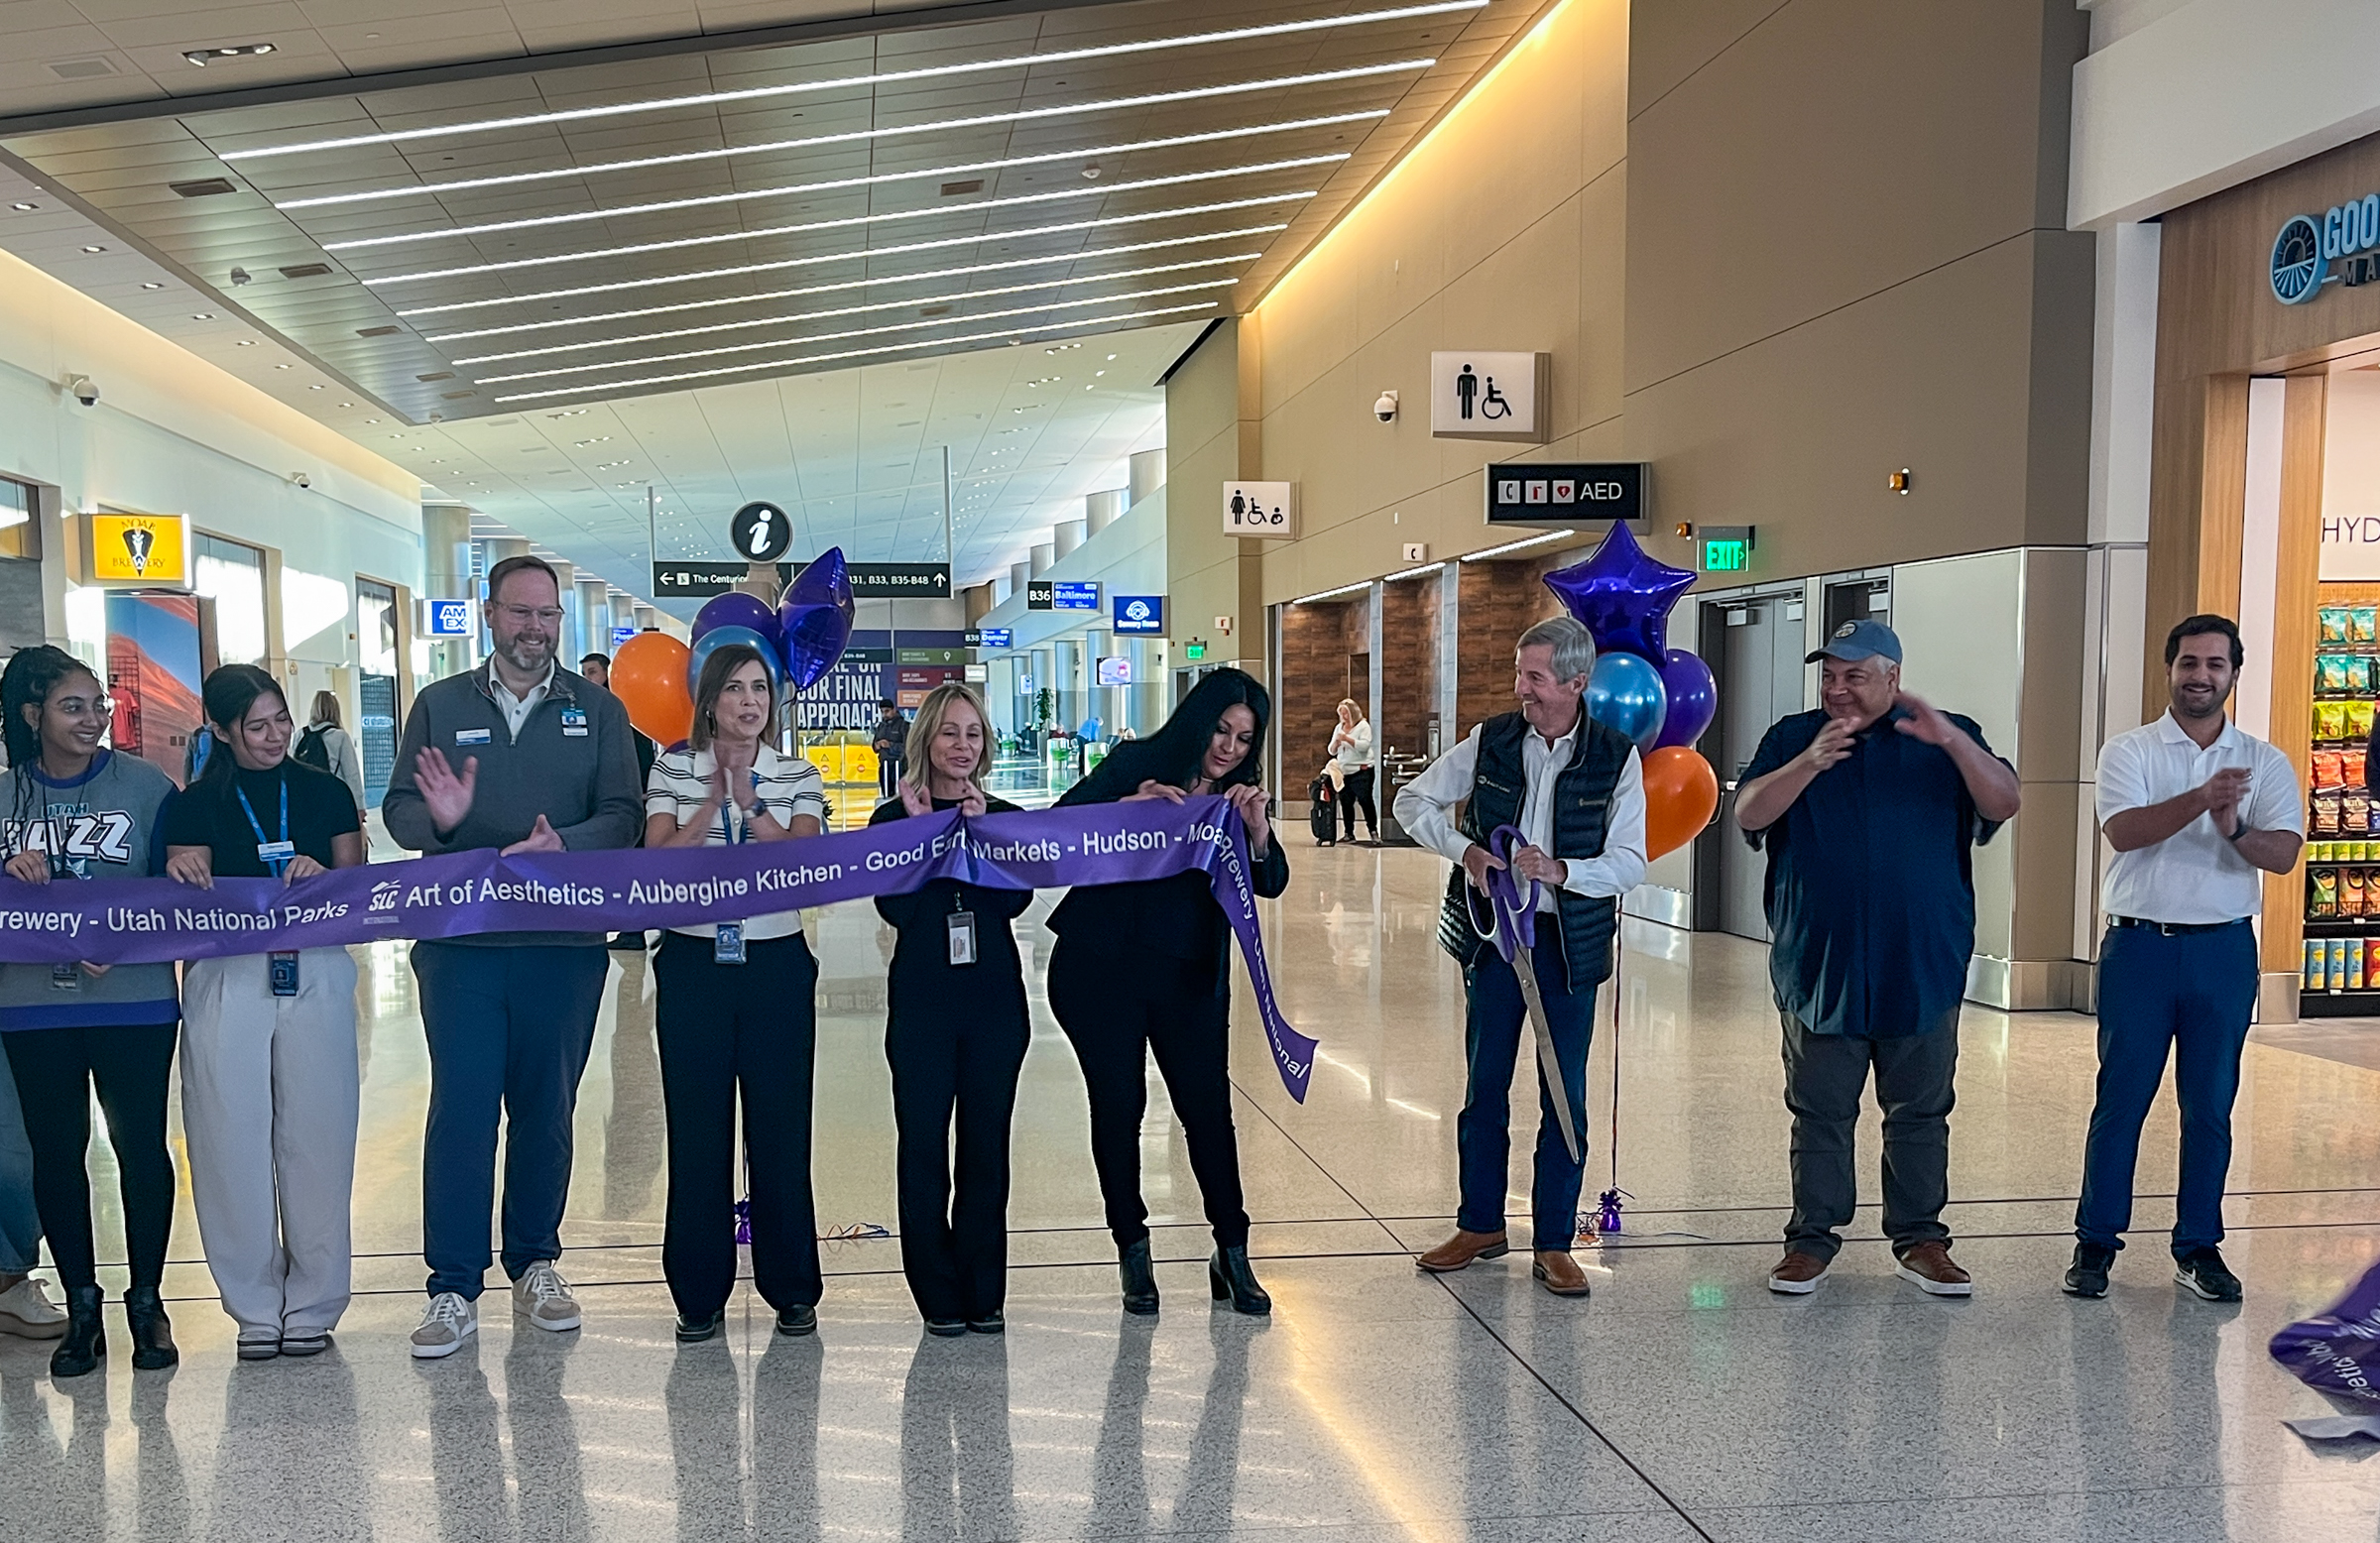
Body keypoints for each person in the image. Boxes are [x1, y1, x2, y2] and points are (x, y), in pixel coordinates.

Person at [384, 555, 644, 1359]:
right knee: (461, 1112)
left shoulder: (596, 711)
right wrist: (449, 824)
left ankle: (536, 1262)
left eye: (548, 616)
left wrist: (564, 843)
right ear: (490, 615)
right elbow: (398, 810)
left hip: (561, 948)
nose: (534, 628)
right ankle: (453, 1287)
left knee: (547, 1111)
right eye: (520, 613)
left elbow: (626, 813)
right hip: (462, 950)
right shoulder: (438, 704)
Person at [1732, 619, 2020, 1297]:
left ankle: (1921, 1238)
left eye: (1853, 676)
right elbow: (1747, 814)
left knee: (1920, 1108)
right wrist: (1808, 762)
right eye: (1829, 675)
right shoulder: (1792, 736)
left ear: (1893, 677)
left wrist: (1948, 739)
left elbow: (2004, 799)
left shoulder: (1945, 734)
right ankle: (1811, 1239)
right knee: (1819, 1107)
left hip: (1919, 961)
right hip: (1819, 962)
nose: (1836, 689)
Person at [1400, 617, 1648, 1297]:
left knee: (1563, 1094)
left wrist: (1562, 871)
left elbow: (1630, 862)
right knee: (1484, 1089)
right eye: (1519, 673)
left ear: (1576, 682)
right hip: (1494, 946)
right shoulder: (1492, 740)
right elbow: (1411, 800)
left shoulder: (1615, 756)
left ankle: (1554, 1240)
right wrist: (1468, 852)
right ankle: (1479, 1223)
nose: (1522, 690)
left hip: (1569, 951)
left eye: (1535, 677)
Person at [2068, 616, 2301, 1302]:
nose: (2200, 675)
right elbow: (2124, 831)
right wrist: (2202, 798)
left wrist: (2233, 826)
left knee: (2210, 1107)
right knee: (2122, 1101)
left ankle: (2199, 1246)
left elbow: (2283, 854)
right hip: (2140, 946)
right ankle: (2095, 1244)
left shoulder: (2265, 761)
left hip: (2223, 950)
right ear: (2168, 670)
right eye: (2188, 663)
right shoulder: (2131, 750)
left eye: (2215, 665)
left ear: (2234, 673)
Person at [1045, 668, 1288, 1317]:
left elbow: (1271, 879)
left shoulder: (1238, 795)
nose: (1230, 746)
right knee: (1119, 1108)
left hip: (1187, 975)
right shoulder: (1137, 763)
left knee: (1207, 1112)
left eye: (1244, 737)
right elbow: (1056, 830)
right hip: (1100, 968)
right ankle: (1133, 1250)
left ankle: (1232, 1250)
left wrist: (1258, 832)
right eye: (1221, 729)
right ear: (1197, 719)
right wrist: (1121, 812)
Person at [164, 665, 367, 1360]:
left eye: (280, 719)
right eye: (256, 725)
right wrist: (187, 879)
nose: (274, 735)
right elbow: (177, 902)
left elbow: (356, 885)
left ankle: (314, 1299)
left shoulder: (326, 791)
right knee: (229, 1137)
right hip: (229, 975)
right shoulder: (194, 804)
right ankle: (252, 1305)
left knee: (320, 1132)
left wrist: (327, 878)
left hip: (314, 967)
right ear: (221, 731)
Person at [0, 646, 182, 1375]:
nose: (92, 720)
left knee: (141, 1146)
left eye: (97, 706)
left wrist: (132, 939)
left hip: (134, 1000)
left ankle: (147, 1302)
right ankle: (82, 1305)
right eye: (73, 707)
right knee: (57, 1152)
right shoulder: (5, 795)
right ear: (32, 715)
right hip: (33, 1004)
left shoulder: (145, 786)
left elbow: (179, 885)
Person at [644, 644, 827, 1344]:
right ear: (709, 701)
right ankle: (697, 1291)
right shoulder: (671, 767)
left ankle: (792, 1287)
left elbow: (804, 862)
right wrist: (707, 806)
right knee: (697, 1131)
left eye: (760, 690)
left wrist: (748, 801)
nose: (749, 702)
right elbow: (658, 861)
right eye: (735, 690)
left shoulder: (797, 771)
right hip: (693, 965)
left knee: (781, 1130)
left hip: (775, 963)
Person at [870, 684, 1031, 1337]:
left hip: (994, 1002)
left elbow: (1012, 907)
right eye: (950, 733)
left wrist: (982, 831)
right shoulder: (891, 820)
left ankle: (983, 1289)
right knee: (924, 1149)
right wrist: (922, 837)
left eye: (973, 734)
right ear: (926, 741)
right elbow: (898, 912)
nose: (962, 746)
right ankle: (936, 1291)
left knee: (987, 1149)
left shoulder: (1006, 815)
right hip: (923, 1004)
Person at [581, 652, 657, 953]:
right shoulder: (599, 710)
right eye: (585, 673)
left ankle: (634, 929)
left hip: (633, 800)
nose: (589, 679)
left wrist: (641, 789)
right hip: (616, 801)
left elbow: (639, 751)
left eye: (592, 672)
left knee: (632, 867)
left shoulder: (621, 710)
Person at [295, 688, 366, 812]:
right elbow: (352, 775)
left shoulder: (300, 735)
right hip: (333, 801)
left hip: (304, 800)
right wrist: (359, 807)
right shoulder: (340, 736)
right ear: (335, 710)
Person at [1327, 698, 1377, 846]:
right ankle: (1349, 832)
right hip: (1345, 771)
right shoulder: (1339, 728)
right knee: (1346, 802)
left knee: (1365, 800)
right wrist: (1336, 743)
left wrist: (1347, 739)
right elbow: (1331, 750)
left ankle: (1373, 831)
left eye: (1345, 713)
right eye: (1341, 713)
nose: (1343, 716)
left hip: (1362, 770)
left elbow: (1364, 746)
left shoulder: (1363, 726)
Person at [872, 698, 909, 799]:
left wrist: (890, 745)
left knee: (901, 797)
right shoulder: (881, 726)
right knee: (886, 796)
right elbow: (874, 747)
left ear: (894, 710)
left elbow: (908, 746)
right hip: (884, 765)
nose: (884, 715)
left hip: (900, 766)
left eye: (887, 711)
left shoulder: (903, 725)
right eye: (882, 712)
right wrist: (877, 745)